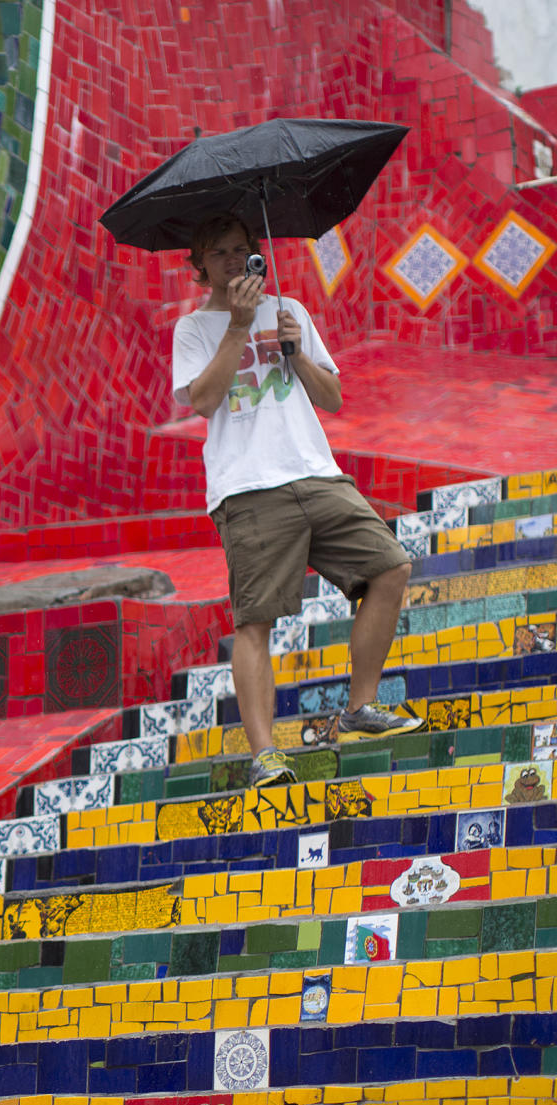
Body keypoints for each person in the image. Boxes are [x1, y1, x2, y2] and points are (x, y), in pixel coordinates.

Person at [172, 215, 423, 788]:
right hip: (248, 489)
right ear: (200, 265)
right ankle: (265, 755)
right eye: (220, 253)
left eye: (243, 250)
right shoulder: (193, 330)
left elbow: (332, 397)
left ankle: (360, 709)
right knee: (255, 621)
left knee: (391, 567)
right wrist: (238, 328)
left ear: (258, 253)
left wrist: (297, 352)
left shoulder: (290, 310)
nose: (234, 261)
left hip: (316, 472)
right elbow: (204, 401)